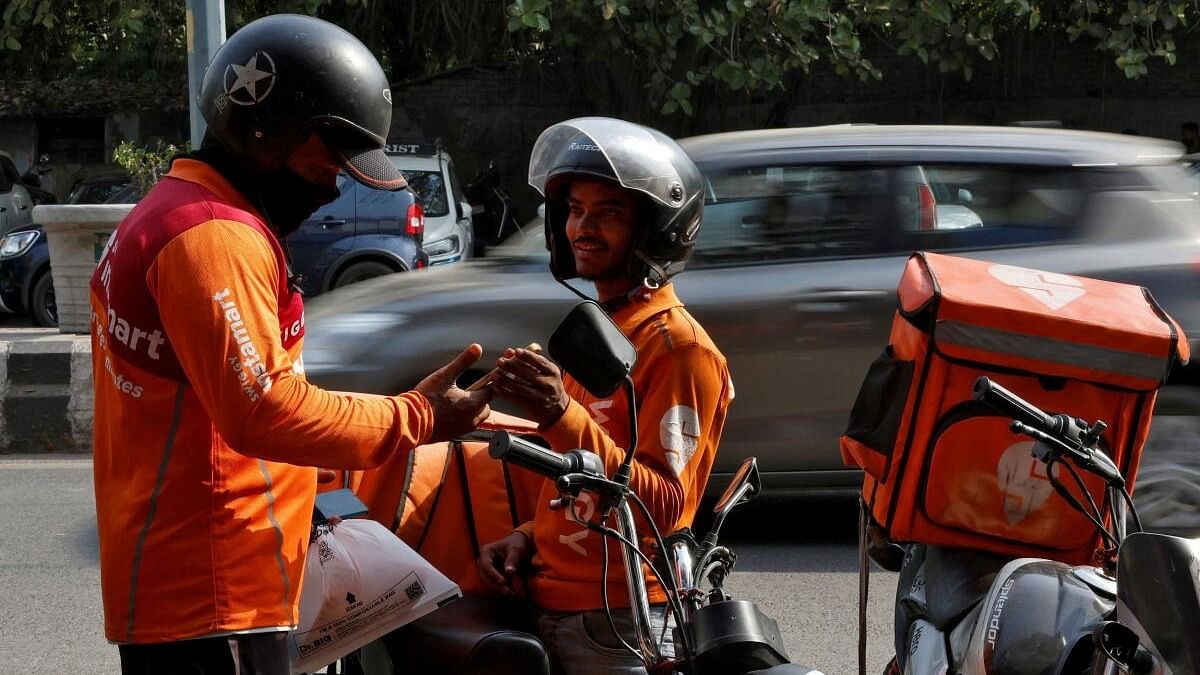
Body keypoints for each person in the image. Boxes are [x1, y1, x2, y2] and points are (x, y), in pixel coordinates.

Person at [89, 14, 492, 675]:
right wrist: (416, 416)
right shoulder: (211, 237)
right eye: (328, 157)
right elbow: (263, 408)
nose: (335, 183)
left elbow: (211, 404)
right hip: (216, 596)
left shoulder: (168, 214)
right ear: (263, 133)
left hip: (196, 584)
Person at [477, 117, 734, 674]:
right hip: (554, 603)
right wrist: (526, 537)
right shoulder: (604, 330)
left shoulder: (678, 349)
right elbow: (585, 475)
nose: (582, 228)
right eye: (574, 210)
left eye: (609, 212)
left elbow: (663, 506)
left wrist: (559, 412)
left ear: (656, 229)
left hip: (623, 621)